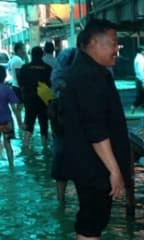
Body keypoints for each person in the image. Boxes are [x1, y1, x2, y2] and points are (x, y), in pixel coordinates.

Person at [60, 19, 131, 240]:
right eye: (112, 43)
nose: (116, 49)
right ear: (91, 44)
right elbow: (96, 129)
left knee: (98, 212)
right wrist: (114, 170)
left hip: (88, 161)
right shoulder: (88, 76)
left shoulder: (90, 71)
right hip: (92, 163)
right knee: (92, 214)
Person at [50, 46, 78, 203]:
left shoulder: (65, 58)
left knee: (60, 156)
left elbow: (56, 82)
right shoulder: (72, 57)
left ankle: (61, 202)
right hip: (69, 120)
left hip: (62, 121)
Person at [18, 46, 52, 150]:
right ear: (42, 54)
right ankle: (45, 148)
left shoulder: (25, 67)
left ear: (31, 55)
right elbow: (51, 84)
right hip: (44, 98)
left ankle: (25, 146)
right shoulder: (48, 68)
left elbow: (21, 83)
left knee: (29, 122)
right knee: (44, 122)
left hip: (29, 98)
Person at [7, 42, 26, 129]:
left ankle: (19, 123)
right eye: (23, 49)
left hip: (15, 85)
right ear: (18, 50)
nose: (25, 51)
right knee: (19, 107)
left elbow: (11, 72)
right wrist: (22, 87)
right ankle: (20, 124)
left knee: (19, 107)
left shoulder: (12, 59)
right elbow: (19, 74)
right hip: (19, 86)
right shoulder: (18, 60)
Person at [130, 45, 144, 114]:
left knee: (142, 96)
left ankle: (137, 108)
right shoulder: (140, 59)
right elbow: (140, 70)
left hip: (143, 79)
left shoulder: (142, 58)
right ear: (142, 51)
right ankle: (143, 109)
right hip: (142, 79)